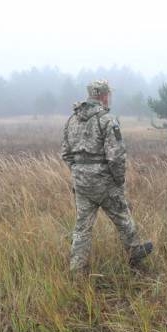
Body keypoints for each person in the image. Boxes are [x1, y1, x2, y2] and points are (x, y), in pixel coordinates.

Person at [60, 79, 153, 271]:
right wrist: (118, 180)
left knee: (82, 228)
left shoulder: (72, 120)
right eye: (109, 94)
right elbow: (116, 156)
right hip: (104, 182)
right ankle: (135, 252)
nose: (109, 98)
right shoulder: (107, 120)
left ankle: (76, 270)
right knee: (122, 216)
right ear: (103, 95)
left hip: (81, 183)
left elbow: (66, 153)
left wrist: (80, 171)